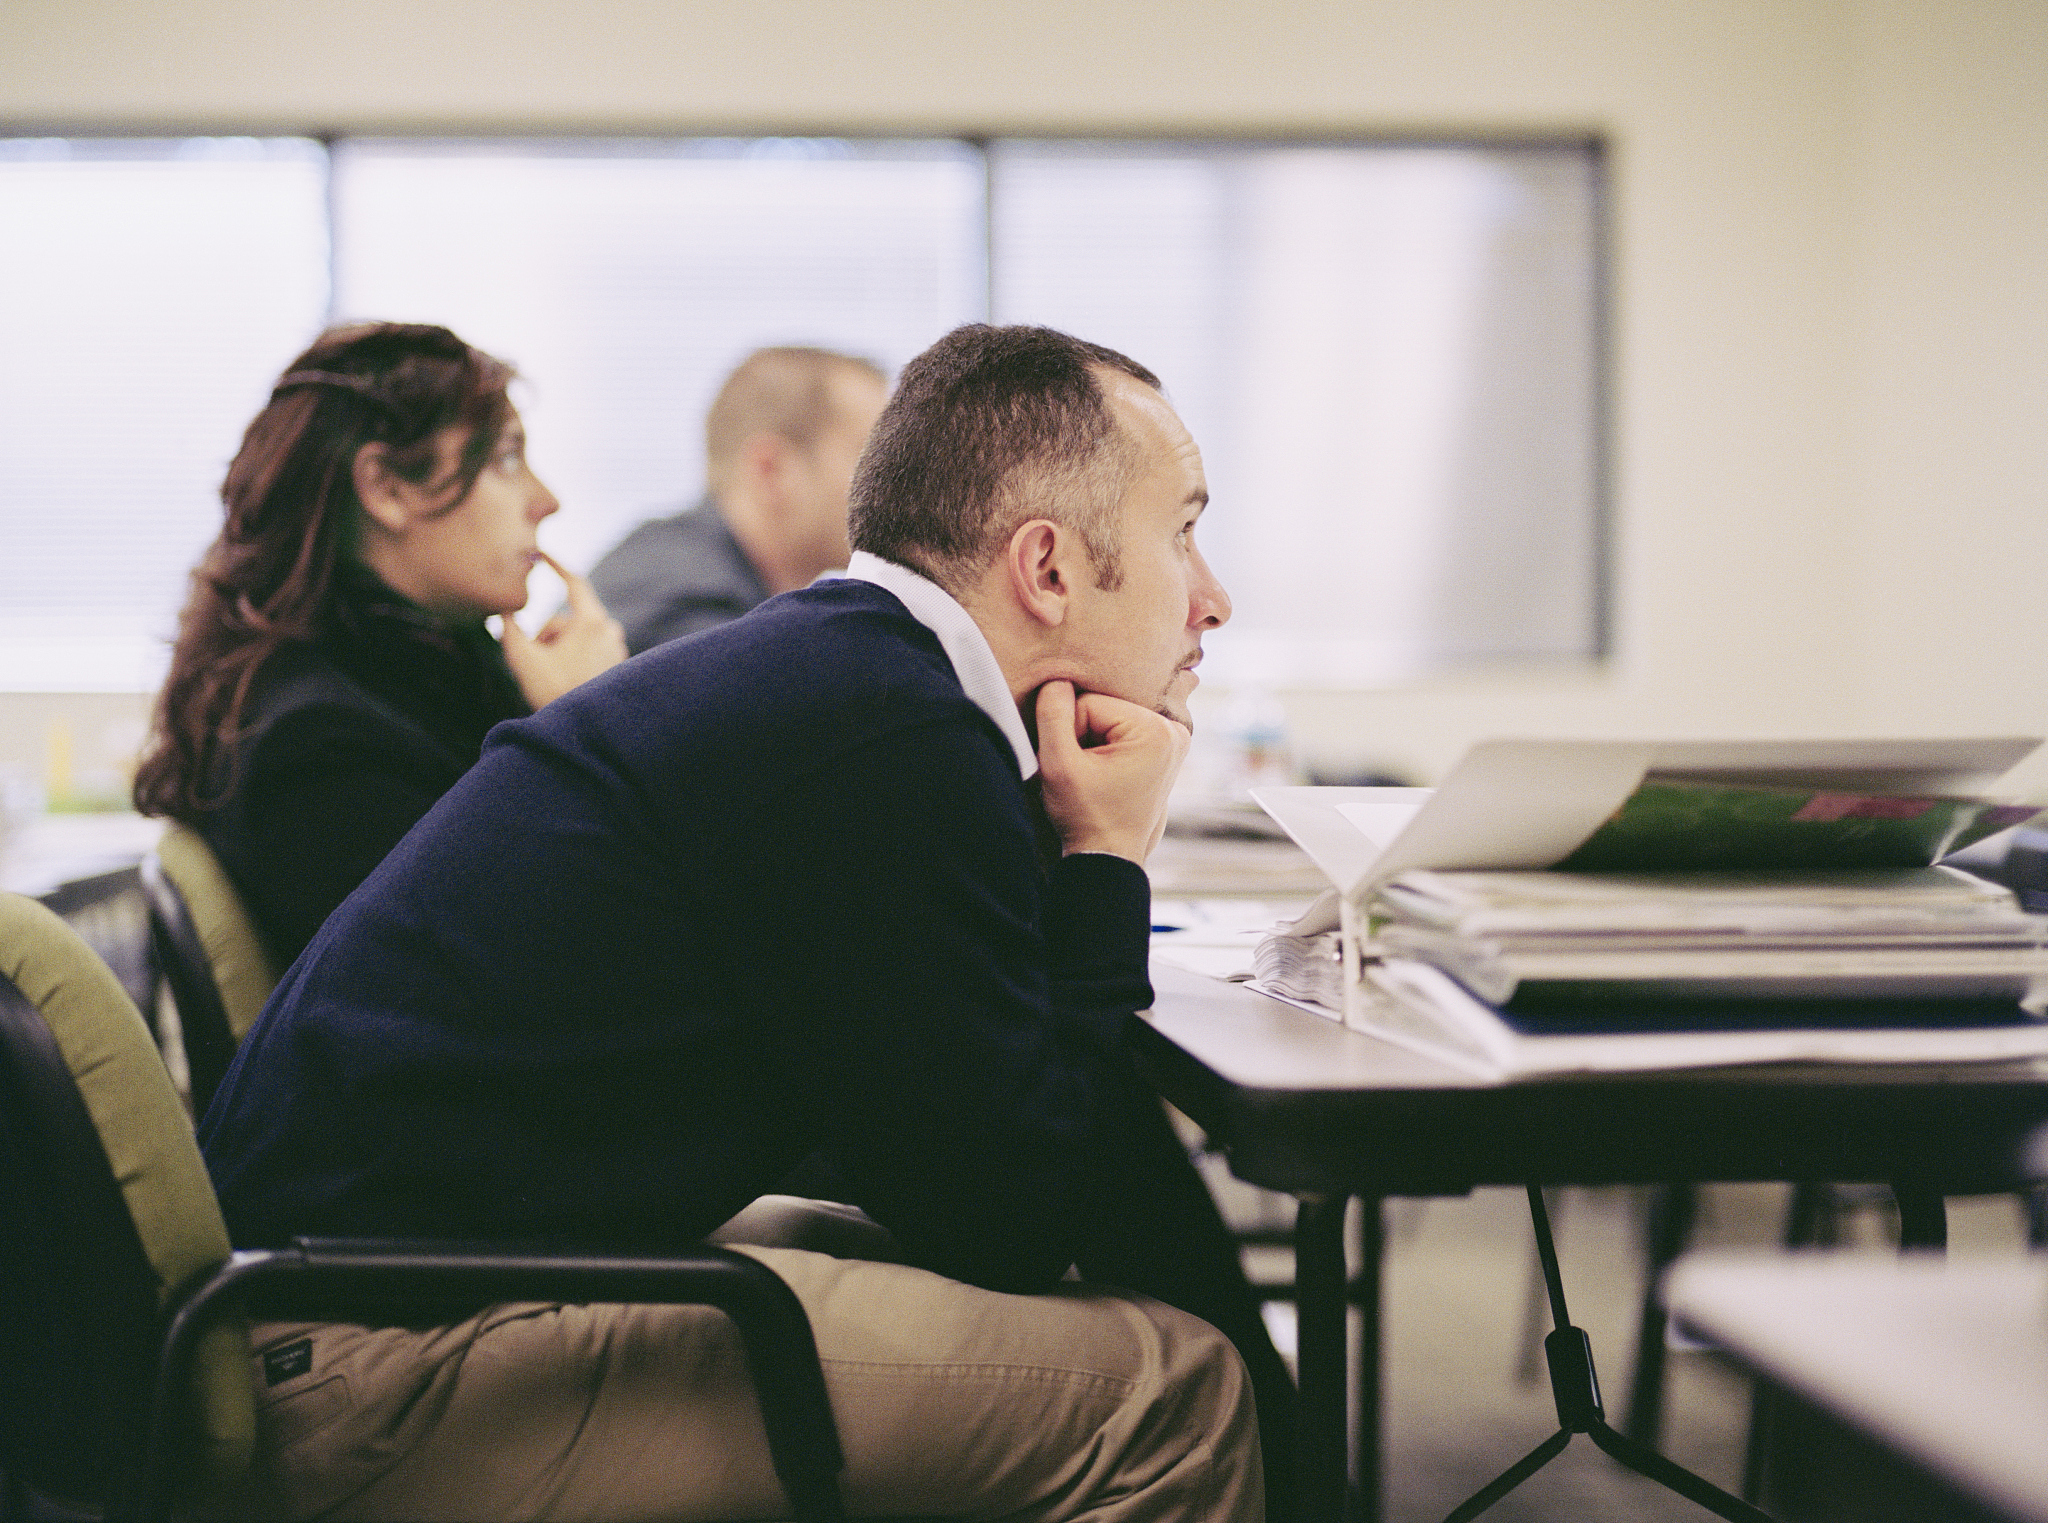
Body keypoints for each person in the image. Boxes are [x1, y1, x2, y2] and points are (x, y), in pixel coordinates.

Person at [200, 324, 1294, 1521]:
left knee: (1043, 1294)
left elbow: (971, 1165)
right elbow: (1014, 1217)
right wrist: (1104, 856)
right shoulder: (883, 734)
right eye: (1181, 532)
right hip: (385, 1367)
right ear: (1045, 568)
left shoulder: (848, 681)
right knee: (1178, 1388)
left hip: (375, 1292)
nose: (1212, 597)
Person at [133, 322, 626, 967]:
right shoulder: (321, 742)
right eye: (506, 459)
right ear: (386, 488)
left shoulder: (411, 679)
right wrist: (588, 722)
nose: (546, 500)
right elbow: (551, 968)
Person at [589, 345, 889, 652]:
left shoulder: (715, 587)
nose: (900, 480)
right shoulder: (693, 614)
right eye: (875, 456)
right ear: (771, 471)